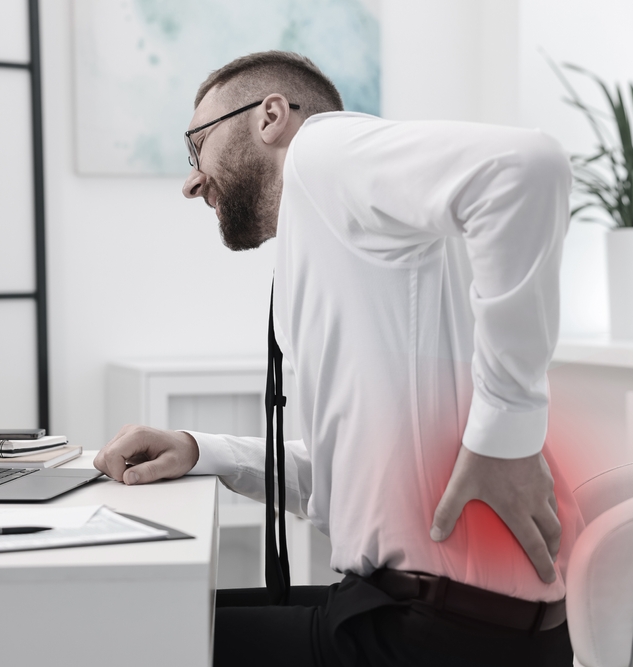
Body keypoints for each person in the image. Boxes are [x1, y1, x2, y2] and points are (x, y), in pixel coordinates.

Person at [94, 51, 584, 666]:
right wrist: (201, 450)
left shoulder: (322, 154)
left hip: (432, 632)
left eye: (198, 146)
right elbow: (339, 487)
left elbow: (527, 169)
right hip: (445, 622)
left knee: (120, 632)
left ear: (271, 115)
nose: (192, 180)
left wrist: (506, 439)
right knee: (157, 617)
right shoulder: (340, 235)